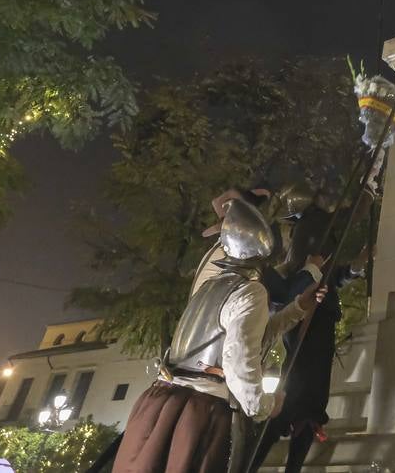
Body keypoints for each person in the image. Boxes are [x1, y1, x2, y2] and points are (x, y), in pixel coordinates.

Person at [113, 195, 324, 473]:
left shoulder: (210, 285)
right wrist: (266, 406)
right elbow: (240, 364)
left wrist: (298, 308)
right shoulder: (251, 290)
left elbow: (249, 337)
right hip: (198, 414)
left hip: (159, 403)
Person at [248, 206, 367, 473]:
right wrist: (310, 275)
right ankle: (251, 464)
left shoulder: (322, 271)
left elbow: (340, 275)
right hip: (298, 333)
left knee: (311, 406)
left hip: (321, 336)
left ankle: (292, 466)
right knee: (288, 402)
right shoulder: (286, 273)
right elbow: (282, 295)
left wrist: (357, 266)